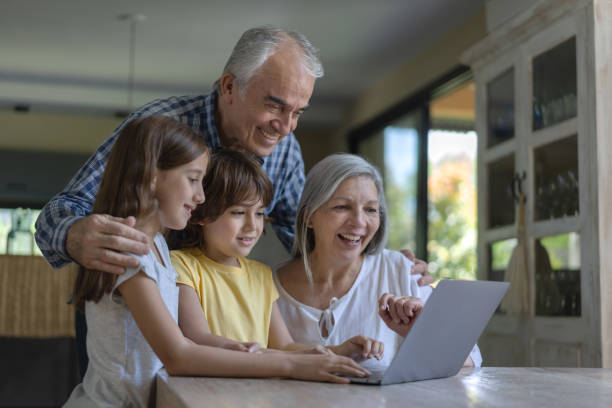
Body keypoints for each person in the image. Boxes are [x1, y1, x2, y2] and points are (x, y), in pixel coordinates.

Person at [64, 117, 370, 407]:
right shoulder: (131, 253)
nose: (200, 197)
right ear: (153, 176)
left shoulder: (156, 246)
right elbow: (178, 356)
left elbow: (189, 342)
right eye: (193, 180)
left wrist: (232, 347)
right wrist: (290, 364)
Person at [274, 153, 482, 371]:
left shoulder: (401, 270)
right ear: (309, 217)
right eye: (342, 207)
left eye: (370, 209)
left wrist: (420, 334)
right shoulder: (267, 286)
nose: (359, 222)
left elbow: (470, 361)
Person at [171, 148, 383, 360]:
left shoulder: (262, 275)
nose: (252, 225)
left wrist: (337, 351)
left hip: (257, 391)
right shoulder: (182, 266)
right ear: (201, 213)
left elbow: (284, 346)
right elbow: (197, 338)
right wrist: (251, 354)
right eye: (238, 212)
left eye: (260, 213)